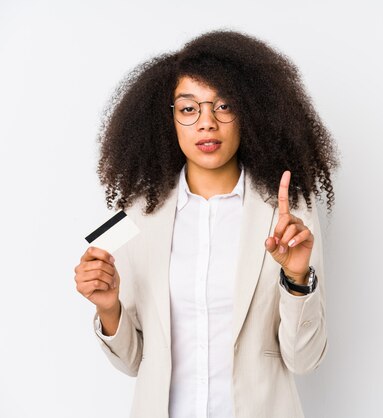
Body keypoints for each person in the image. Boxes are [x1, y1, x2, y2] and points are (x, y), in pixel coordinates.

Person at [73, 30, 338, 418]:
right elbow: (133, 364)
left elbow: (304, 360)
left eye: (224, 106)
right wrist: (110, 308)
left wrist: (297, 281)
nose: (206, 123)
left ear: (249, 112)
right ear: (169, 118)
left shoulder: (288, 216)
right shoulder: (136, 218)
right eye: (188, 108)